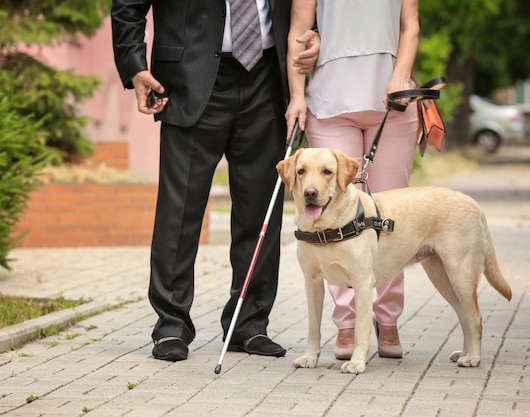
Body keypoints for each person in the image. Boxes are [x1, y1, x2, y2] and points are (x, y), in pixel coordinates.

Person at [111, 0, 319, 362]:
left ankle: (249, 323)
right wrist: (135, 67)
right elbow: (127, 6)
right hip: (185, 80)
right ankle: (171, 326)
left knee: (260, 213)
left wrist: (318, 35)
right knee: (179, 211)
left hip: (267, 78)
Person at [285, 0, 420, 359]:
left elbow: (410, 27)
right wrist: (297, 96)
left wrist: (400, 77)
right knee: (334, 219)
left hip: (393, 104)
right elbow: (298, 37)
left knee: (389, 219)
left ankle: (387, 317)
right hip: (331, 105)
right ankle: (346, 324)